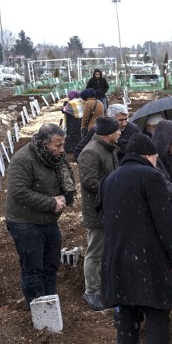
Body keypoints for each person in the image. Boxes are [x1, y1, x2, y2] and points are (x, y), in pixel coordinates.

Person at [99, 133, 172, 344]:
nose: (156, 162)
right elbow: (165, 222)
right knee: (157, 313)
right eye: (154, 157)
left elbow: (104, 219)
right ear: (148, 156)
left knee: (127, 319)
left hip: (117, 260)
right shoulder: (151, 176)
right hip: (147, 260)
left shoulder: (109, 180)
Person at [5, 123, 76, 306]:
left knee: (51, 264)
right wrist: (52, 203)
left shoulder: (54, 158)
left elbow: (63, 178)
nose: (62, 150)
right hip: (24, 222)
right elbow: (19, 192)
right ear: (44, 144)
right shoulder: (23, 159)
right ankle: (39, 309)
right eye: (57, 146)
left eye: (63, 145)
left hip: (47, 220)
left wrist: (65, 196)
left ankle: (50, 301)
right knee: (34, 268)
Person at [77, 116, 121, 311]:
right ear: (107, 133)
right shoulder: (90, 153)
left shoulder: (108, 149)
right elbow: (89, 182)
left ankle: (104, 286)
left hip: (108, 208)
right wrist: (113, 186)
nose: (120, 133)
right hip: (97, 211)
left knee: (106, 251)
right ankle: (91, 291)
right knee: (95, 252)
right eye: (117, 130)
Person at [74, 103, 141, 163]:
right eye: (120, 120)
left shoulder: (133, 129)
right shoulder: (98, 130)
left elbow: (142, 149)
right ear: (110, 119)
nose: (124, 123)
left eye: (126, 119)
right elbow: (79, 150)